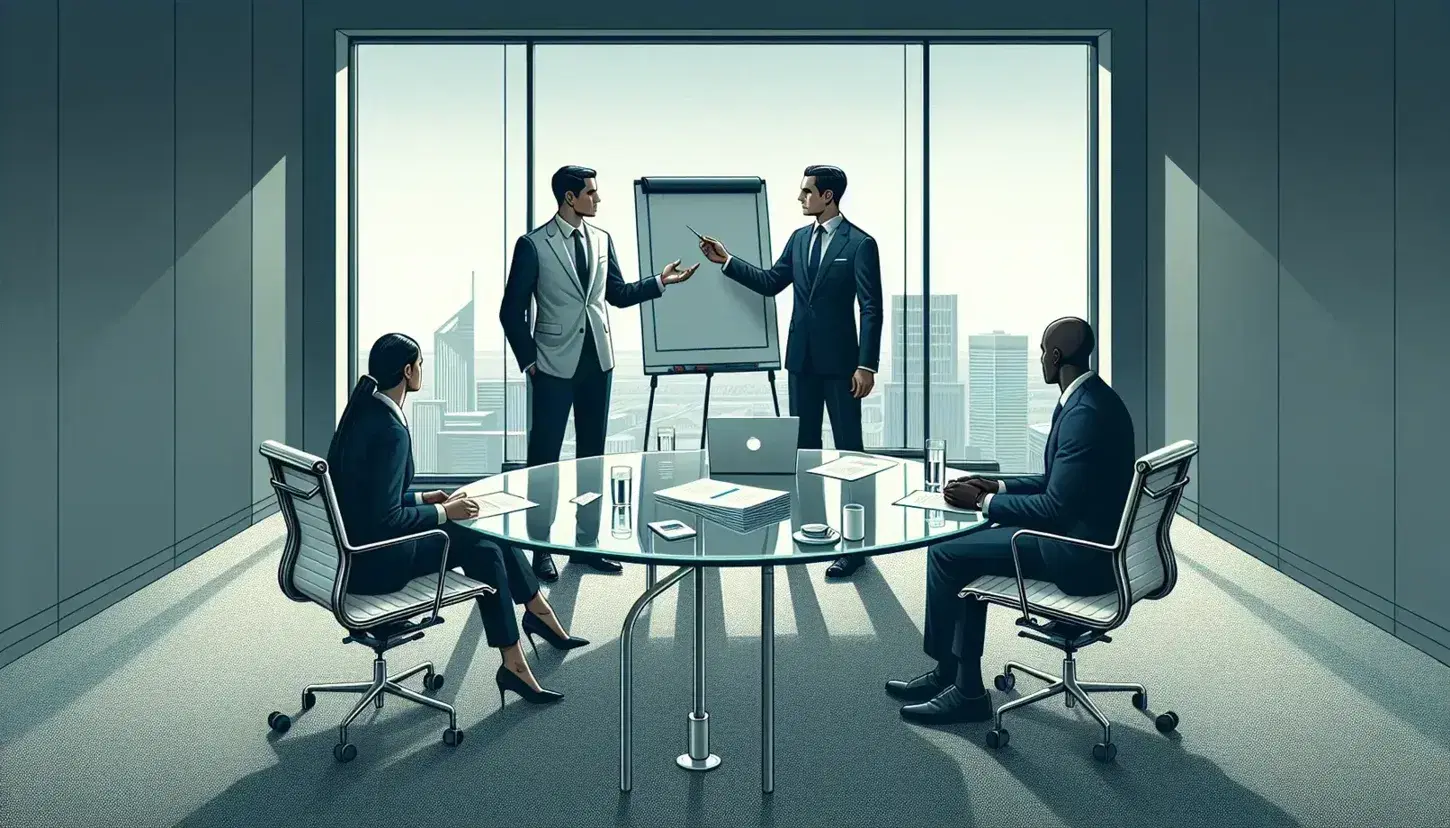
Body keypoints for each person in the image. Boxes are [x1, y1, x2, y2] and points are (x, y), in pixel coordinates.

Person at [887, 317, 1135, 724]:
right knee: (975, 539)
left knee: (949, 553)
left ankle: (961, 688)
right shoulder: (1095, 399)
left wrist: (982, 501)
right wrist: (996, 487)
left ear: (1055, 356)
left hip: (1077, 556)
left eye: (1042, 351)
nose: (1040, 359)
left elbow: (1054, 508)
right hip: (1093, 540)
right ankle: (952, 675)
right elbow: (1060, 483)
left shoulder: (1082, 414)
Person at [327, 333, 589, 707]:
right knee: (484, 545)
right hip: (380, 562)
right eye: (420, 365)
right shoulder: (390, 431)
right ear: (407, 371)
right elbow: (385, 520)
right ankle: (527, 638)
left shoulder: (364, 414)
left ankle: (532, 624)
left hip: (356, 554)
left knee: (482, 533)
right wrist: (443, 512)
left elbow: (366, 499)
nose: (421, 371)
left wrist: (422, 498)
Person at [499, 165, 699, 583]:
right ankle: (540, 549)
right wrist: (529, 361)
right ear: (569, 198)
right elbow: (510, 311)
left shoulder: (603, 239)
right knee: (545, 460)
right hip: (553, 364)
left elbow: (619, 295)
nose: (597, 199)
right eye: (591, 192)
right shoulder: (534, 244)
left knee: (592, 457)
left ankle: (586, 545)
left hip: (598, 362)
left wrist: (661, 282)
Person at [697, 164, 884, 580]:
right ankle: (812, 532)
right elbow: (770, 282)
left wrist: (866, 364)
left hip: (842, 367)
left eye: (807, 192)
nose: (801, 198)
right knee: (804, 453)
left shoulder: (860, 244)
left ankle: (858, 546)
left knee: (851, 453)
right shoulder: (799, 240)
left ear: (828, 196)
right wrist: (726, 260)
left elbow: (871, 308)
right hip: (801, 362)